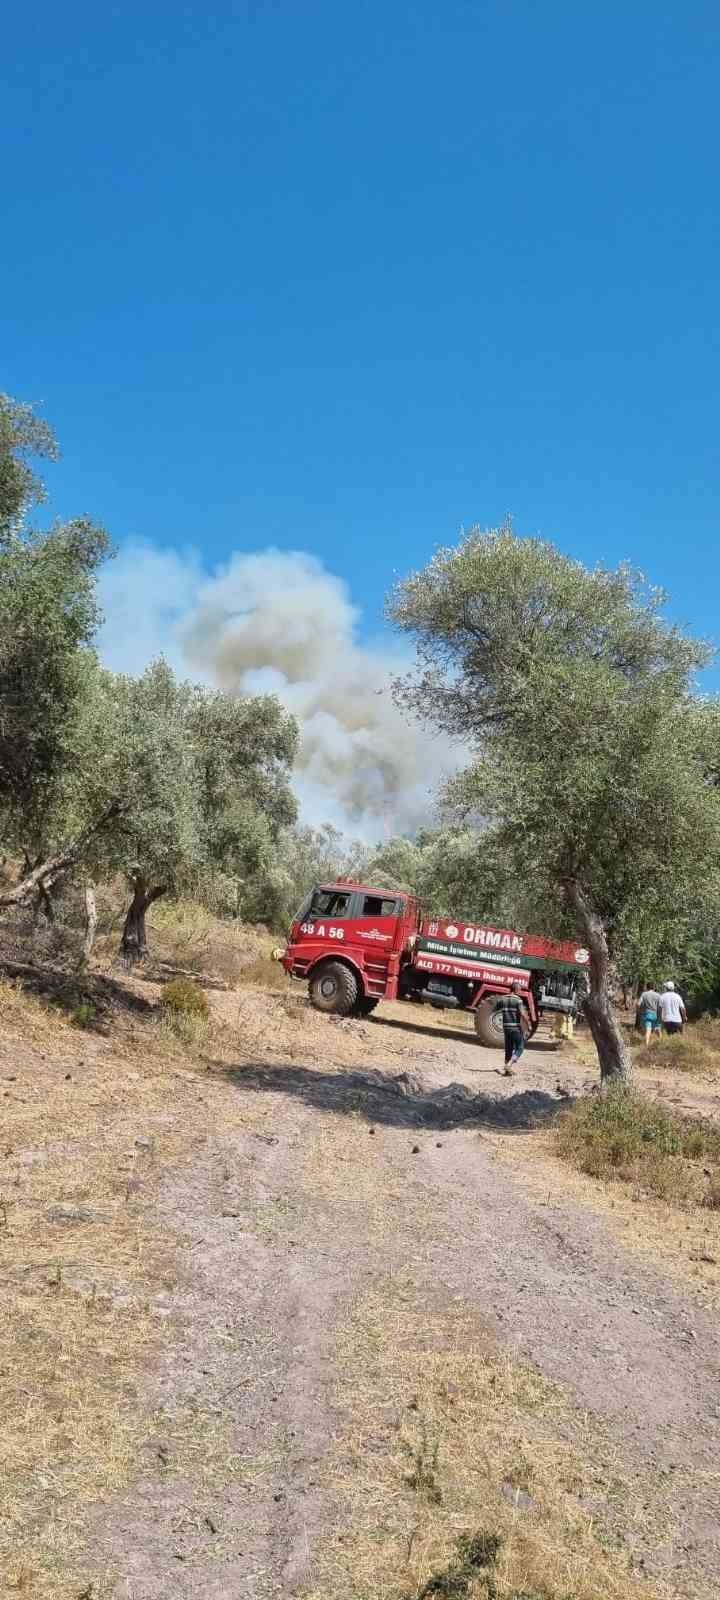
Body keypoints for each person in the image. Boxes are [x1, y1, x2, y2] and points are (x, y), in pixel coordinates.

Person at [500, 982, 525, 1075]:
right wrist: (528, 1023)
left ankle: (507, 1071)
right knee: (520, 1047)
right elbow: (522, 1013)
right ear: (517, 990)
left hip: (506, 1027)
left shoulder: (503, 999)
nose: (521, 992)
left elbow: (495, 1009)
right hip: (515, 1028)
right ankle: (509, 1065)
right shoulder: (518, 1000)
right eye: (520, 990)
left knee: (509, 1048)